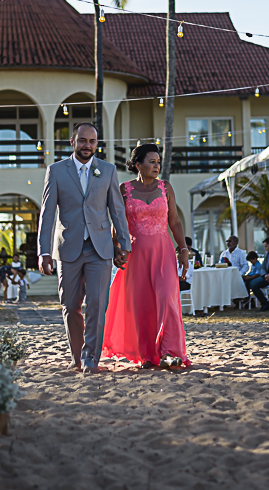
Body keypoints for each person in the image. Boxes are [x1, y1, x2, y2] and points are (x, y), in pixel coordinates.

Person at [38, 123, 131, 373]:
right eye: (82, 140)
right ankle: (77, 354)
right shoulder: (56, 171)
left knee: (97, 305)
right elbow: (47, 214)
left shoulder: (108, 170)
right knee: (70, 305)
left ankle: (91, 358)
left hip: (100, 249)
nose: (87, 146)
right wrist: (43, 251)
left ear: (96, 144)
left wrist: (124, 244)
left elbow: (117, 210)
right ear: (72, 141)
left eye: (91, 141)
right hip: (67, 247)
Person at [103, 143, 192, 369]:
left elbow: (175, 221)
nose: (156, 165)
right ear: (138, 165)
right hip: (136, 256)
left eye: (158, 162)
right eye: (151, 161)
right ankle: (147, 356)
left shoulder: (166, 188)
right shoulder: (125, 189)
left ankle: (170, 352)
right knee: (142, 306)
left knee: (167, 300)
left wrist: (183, 249)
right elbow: (118, 223)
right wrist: (116, 248)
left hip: (163, 253)